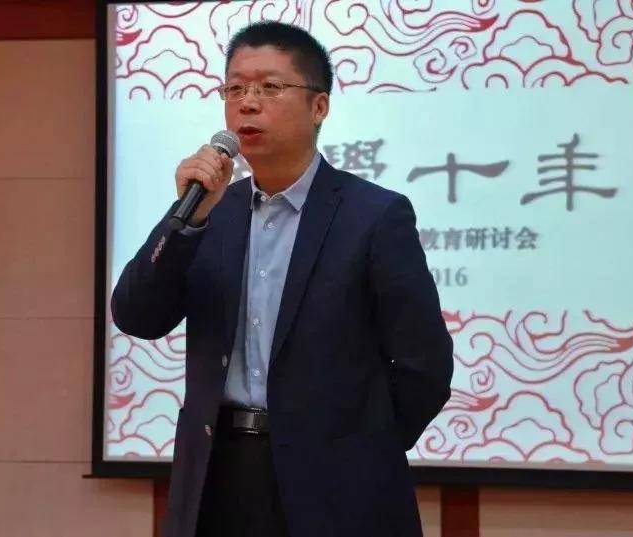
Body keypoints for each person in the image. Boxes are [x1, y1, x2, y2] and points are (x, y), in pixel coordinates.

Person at [112, 20, 453, 537]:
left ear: (319, 107)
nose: (248, 103)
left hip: (336, 486)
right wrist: (187, 222)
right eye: (235, 89)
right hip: (216, 477)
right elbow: (137, 315)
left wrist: (361, 447)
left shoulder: (373, 216)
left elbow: (424, 365)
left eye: (270, 87)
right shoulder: (209, 213)